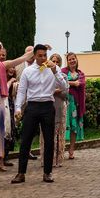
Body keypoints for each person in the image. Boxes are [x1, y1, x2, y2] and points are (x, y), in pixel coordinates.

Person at [11, 44, 67, 184]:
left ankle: (47, 172)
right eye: (40, 55)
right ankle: (21, 173)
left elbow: (65, 86)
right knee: (26, 140)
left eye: (45, 55)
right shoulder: (28, 71)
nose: (43, 58)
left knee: (49, 140)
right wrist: (18, 108)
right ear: (34, 56)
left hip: (48, 106)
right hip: (33, 106)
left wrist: (54, 70)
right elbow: (22, 91)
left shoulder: (54, 68)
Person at [0, 41, 34, 171]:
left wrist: (37, 49)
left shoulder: (3, 65)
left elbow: (22, 59)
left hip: (1, 101)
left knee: (1, 130)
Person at [39, 53, 69, 168]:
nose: (55, 64)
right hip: (46, 107)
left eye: (57, 62)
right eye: (53, 61)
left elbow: (65, 92)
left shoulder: (63, 76)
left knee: (59, 134)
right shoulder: (43, 75)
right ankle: (46, 159)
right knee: (45, 134)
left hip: (59, 107)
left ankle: (58, 159)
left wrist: (57, 91)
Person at [62, 52, 86, 159]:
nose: (72, 61)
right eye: (70, 59)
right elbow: (60, 81)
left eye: (73, 59)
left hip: (76, 104)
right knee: (62, 126)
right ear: (67, 61)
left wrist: (69, 82)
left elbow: (81, 83)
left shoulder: (80, 73)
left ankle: (71, 150)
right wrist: (72, 83)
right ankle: (61, 149)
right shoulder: (63, 71)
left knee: (74, 127)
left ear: (76, 60)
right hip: (65, 103)